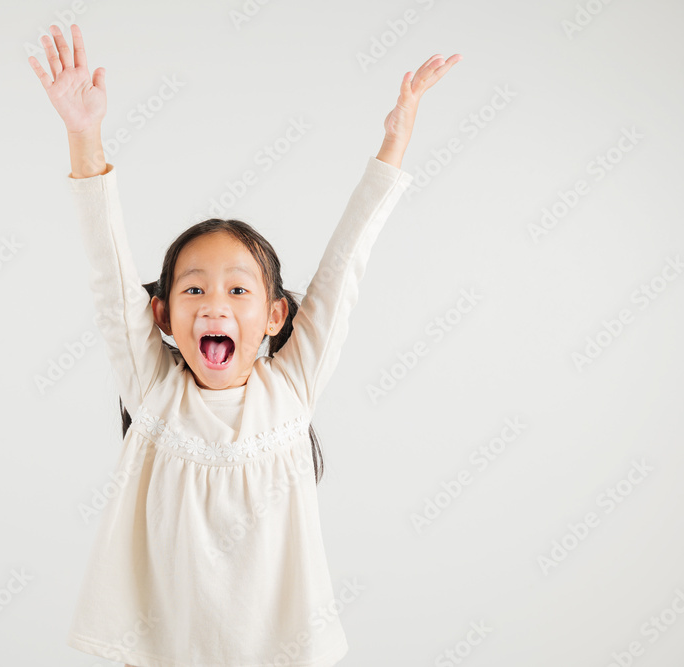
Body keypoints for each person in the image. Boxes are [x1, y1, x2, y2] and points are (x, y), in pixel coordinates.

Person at [29, 23, 460, 667]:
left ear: (275, 316)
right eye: (193, 289)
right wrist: (83, 135)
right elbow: (106, 269)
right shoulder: (153, 390)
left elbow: (346, 265)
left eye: (238, 290)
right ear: (161, 315)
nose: (214, 305)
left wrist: (394, 141)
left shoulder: (291, 387)